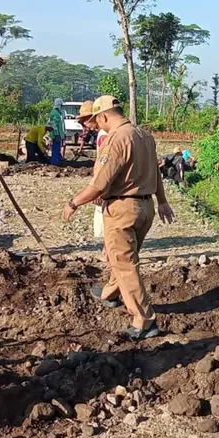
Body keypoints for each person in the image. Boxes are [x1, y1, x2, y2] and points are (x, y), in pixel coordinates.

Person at [63, 95, 175, 340]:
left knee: (125, 264)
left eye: (96, 120)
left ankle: (144, 320)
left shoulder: (117, 139)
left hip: (123, 209)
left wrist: (74, 202)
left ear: (103, 116)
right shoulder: (144, 135)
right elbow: (156, 172)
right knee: (123, 258)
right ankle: (110, 293)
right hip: (145, 208)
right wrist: (163, 201)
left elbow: (99, 185)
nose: (96, 125)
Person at [76, 100, 108, 262]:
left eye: (85, 121)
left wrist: (98, 188)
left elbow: (104, 163)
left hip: (105, 184)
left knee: (106, 217)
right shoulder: (105, 134)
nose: (85, 125)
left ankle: (107, 251)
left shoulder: (103, 135)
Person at [49, 98, 66, 166]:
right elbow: (54, 125)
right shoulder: (55, 113)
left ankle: (58, 160)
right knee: (55, 149)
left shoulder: (58, 113)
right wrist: (57, 135)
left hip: (58, 134)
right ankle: (54, 163)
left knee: (57, 148)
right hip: (56, 135)